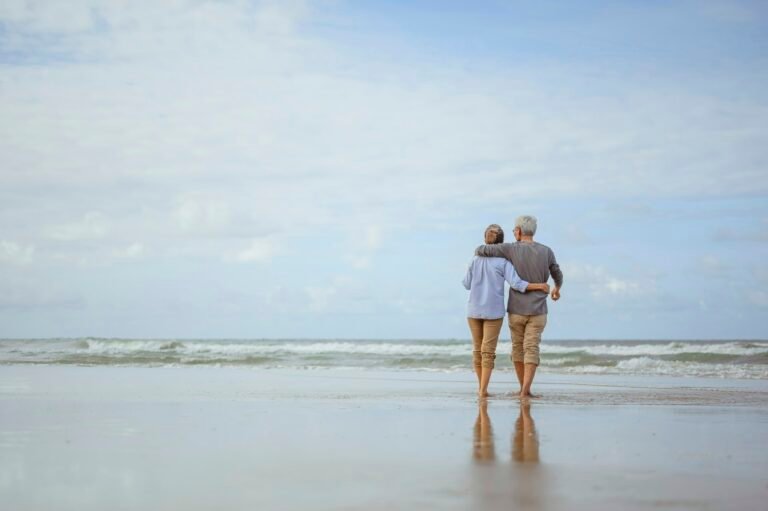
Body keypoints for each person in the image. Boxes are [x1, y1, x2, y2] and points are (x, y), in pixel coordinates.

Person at [475, 215, 563, 398]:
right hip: (539, 310)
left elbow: (481, 250)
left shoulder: (510, 249)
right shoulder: (546, 251)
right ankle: (525, 390)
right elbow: (557, 272)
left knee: (518, 348)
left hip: (516, 310)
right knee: (531, 347)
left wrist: (490, 241)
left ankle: (522, 387)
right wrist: (557, 289)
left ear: (520, 231)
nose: (514, 232)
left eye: (515, 229)